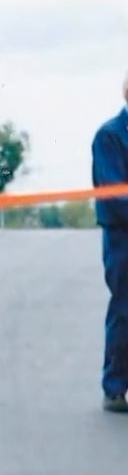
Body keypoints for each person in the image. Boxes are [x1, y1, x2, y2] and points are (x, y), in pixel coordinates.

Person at [93, 68, 128, 412]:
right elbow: (115, 194)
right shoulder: (110, 136)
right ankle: (115, 387)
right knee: (125, 308)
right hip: (123, 239)